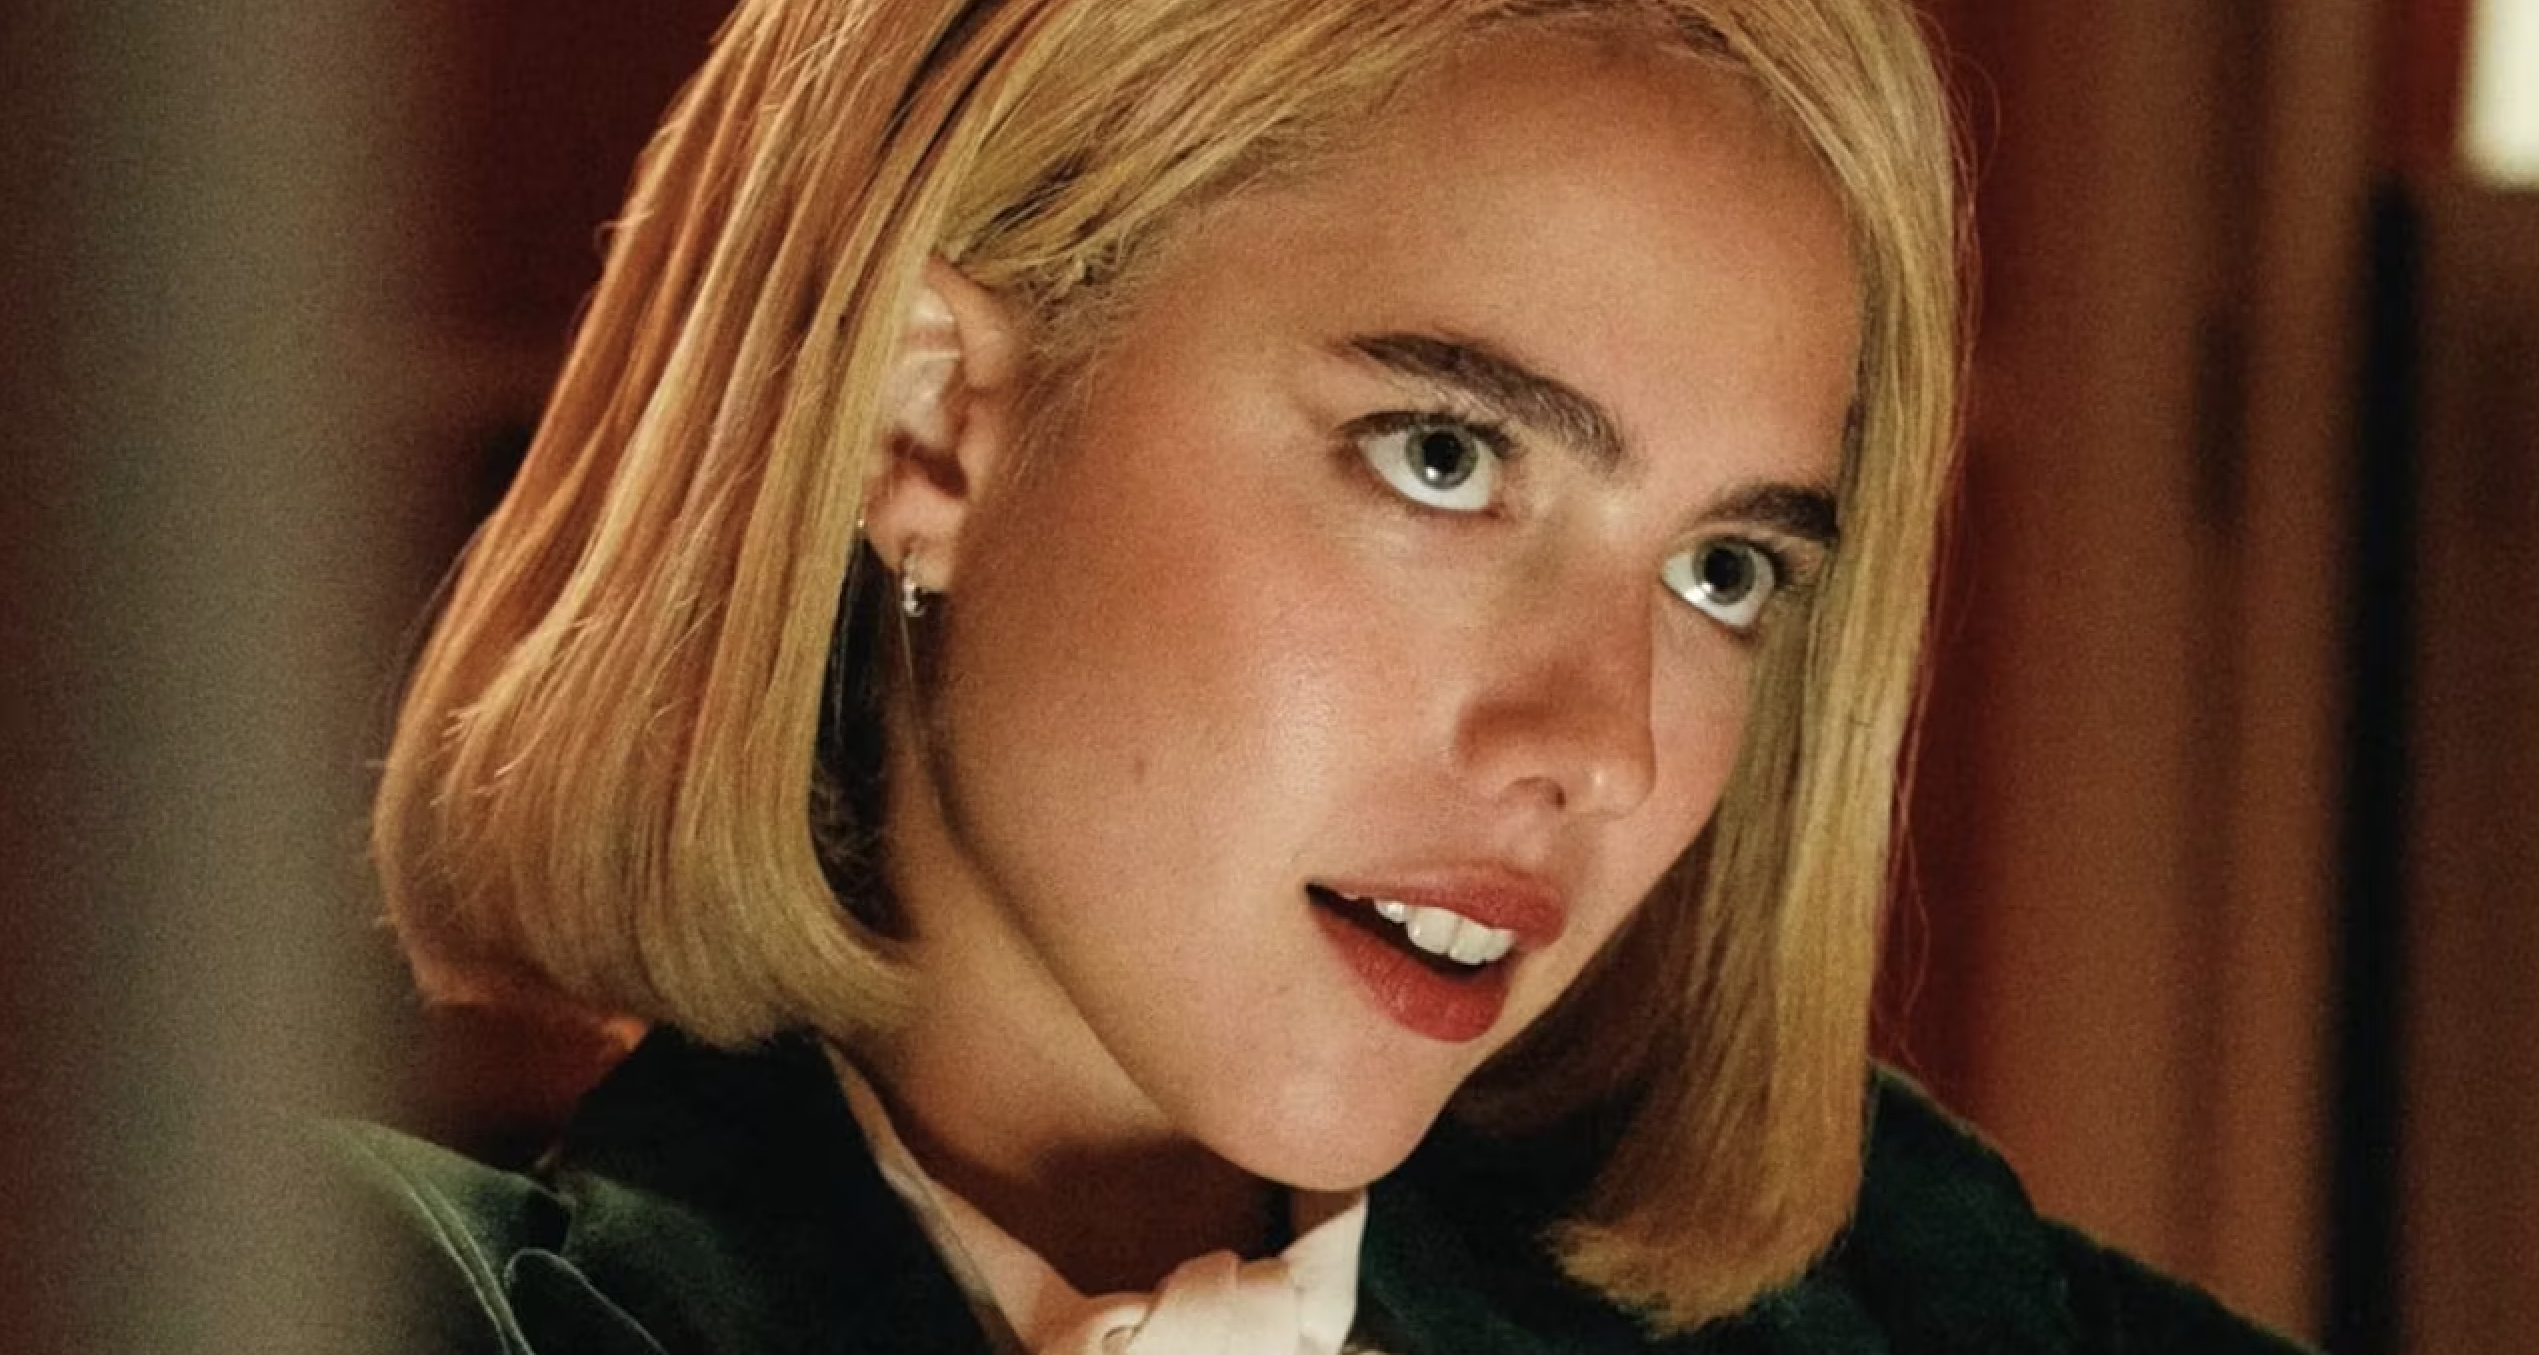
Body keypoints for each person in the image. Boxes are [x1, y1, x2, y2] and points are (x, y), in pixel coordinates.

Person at [332, 0, 2316, 1351]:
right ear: (922, 427)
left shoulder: (1912, 1300)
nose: (1604, 746)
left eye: (1722, 571)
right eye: (1443, 457)